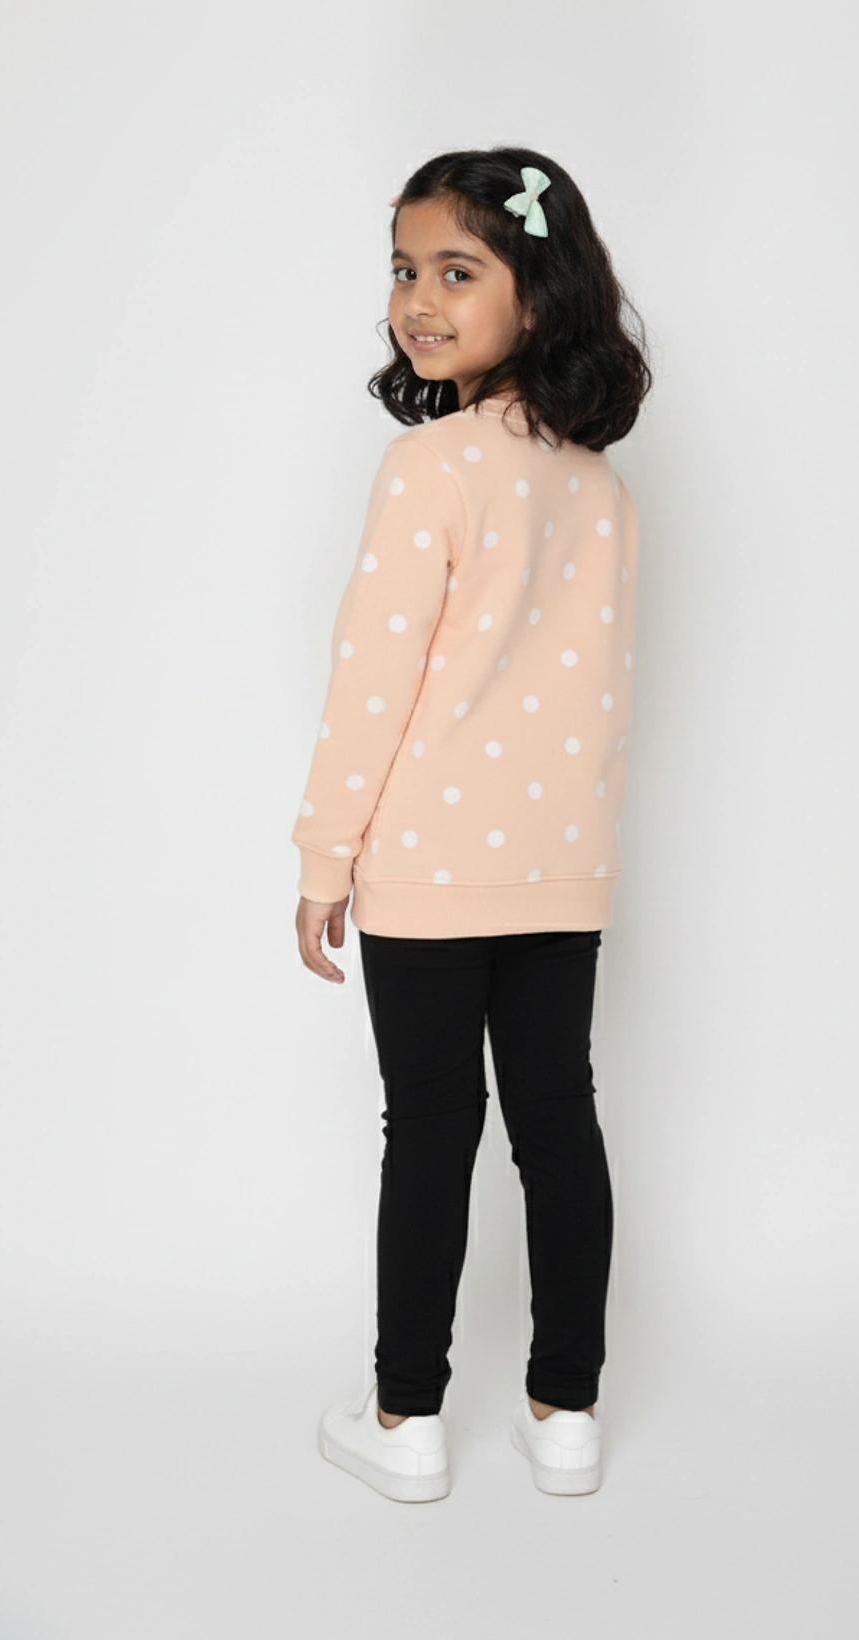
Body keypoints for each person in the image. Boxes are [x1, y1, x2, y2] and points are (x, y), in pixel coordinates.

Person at [300, 148, 649, 1502]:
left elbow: (371, 681)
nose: (419, 300)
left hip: (432, 870)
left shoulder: (429, 468)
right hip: (564, 867)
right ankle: (567, 1413)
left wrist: (326, 854)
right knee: (560, 1125)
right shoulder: (600, 490)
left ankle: (406, 1420)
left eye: (458, 271)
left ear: (539, 295)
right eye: (404, 270)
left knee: (433, 1131)